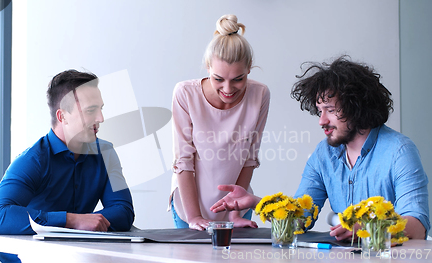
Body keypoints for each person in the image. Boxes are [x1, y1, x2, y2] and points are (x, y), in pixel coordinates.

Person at [211, 56, 430, 240]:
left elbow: (417, 226)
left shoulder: (399, 151)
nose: (321, 120)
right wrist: (257, 202)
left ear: (357, 107)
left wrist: (368, 228)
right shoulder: (323, 154)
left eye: (330, 110)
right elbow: (300, 218)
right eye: (319, 110)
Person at [0, 70, 135, 261]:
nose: (101, 118)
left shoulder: (105, 153)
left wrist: (89, 223)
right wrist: (72, 220)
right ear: (62, 116)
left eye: (101, 109)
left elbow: (123, 211)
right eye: (91, 111)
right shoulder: (32, 160)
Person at [170, 14, 270, 231]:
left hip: (237, 207)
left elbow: (249, 158)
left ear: (249, 69)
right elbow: (184, 161)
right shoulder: (186, 94)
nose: (227, 89)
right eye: (218, 79)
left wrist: (234, 213)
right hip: (189, 208)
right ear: (207, 67)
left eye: (238, 79)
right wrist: (194, 217)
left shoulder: (260, 94)